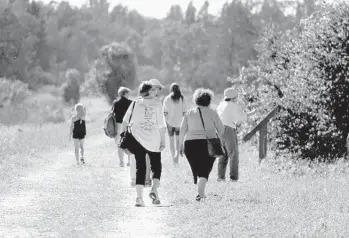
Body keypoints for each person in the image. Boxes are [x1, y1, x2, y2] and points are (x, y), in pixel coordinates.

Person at [121, 81, 167, 207]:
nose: (155, 91)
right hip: (154, 140)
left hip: (138, 140)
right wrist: (163, 140)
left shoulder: (135, 103)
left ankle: (139, 198)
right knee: (156, 166)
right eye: (153, 90)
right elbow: (161, 125)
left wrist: (122, 136)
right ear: (148, 91)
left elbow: (125, 121)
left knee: (140, 168)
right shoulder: (157, 104)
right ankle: (154, 191)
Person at [179, 88, 225, 201]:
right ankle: (201, 193)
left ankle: (199, 187)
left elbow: (182, 130)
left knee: (197, 169)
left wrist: (180, 145)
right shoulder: (212, 113)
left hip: (190, 144)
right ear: (209, 100)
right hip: (208, 143)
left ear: (196, 100)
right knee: (205, 170)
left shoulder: (189, 113)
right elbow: (221, 129)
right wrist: (221, 141)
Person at [216, 88, 248, 182]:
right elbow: (240, 119)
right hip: (229, 129)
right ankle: (233, 178)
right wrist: (246, 115)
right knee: (233, 154)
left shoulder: (221, 104)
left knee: (223, 154)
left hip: (219, 130)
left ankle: (220, 177)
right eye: (236, 97)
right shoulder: (233, 105)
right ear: (234, 98)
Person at [163, 83, 186, 164]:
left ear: (171, 89)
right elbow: (184, 112)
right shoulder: (182, 98)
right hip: (179, 123)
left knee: (171, 142)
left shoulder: (167, 98)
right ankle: (177, 157)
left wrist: (166, 122)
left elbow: (165, 112)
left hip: (170, 122)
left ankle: (173, 159)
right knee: (178, 141)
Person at [111, 86, 132, 167]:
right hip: (128, 125)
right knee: (130, 143)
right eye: (128, 93)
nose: (129, 94)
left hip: (118, 125)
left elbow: (112, 114)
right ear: (125, 93)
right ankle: (129, 161)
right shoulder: (131, 102)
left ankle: (121, 162)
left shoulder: (115, 103)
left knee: (119, 143)